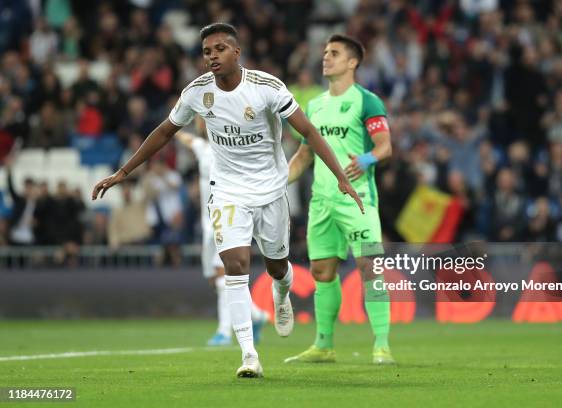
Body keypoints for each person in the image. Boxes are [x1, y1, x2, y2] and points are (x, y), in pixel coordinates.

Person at [92, 23, 363, 378]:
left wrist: (341, 176)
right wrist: (124, 172)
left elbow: (308, 131)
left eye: (220, 49)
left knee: (277, 268)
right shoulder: (197, 92)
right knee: (235, 266)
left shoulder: (267, 88)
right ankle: (249, 355)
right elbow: (164, 131)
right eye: (207, 52)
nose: (212, 57)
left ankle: (281, 295)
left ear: (236, 52)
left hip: (269, 188)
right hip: (228, 190)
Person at [284, 34, 394, 365]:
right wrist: (276, 184)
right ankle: (324, 345)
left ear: (352, 62)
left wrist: (367, 160)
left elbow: (385, 146)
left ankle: (382, 344)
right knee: (321, 271)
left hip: (358, 200)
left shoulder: (367, 101)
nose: (326, 58)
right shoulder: (314, 106)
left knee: (370, 266)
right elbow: (304, 155)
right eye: (325, 53)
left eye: (334, 53)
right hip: (322, 202)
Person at [175, 119, 269, 347]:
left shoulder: (229, 147)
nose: (200, 124)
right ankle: (257, 316)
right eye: (198, 120)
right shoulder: (201, 146)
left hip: (226, 216)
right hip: (208, 222)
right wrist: (174, 124)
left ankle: (225, 332)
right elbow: (186, 138)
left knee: (224, 279)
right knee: (215, 280)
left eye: (204, 120)